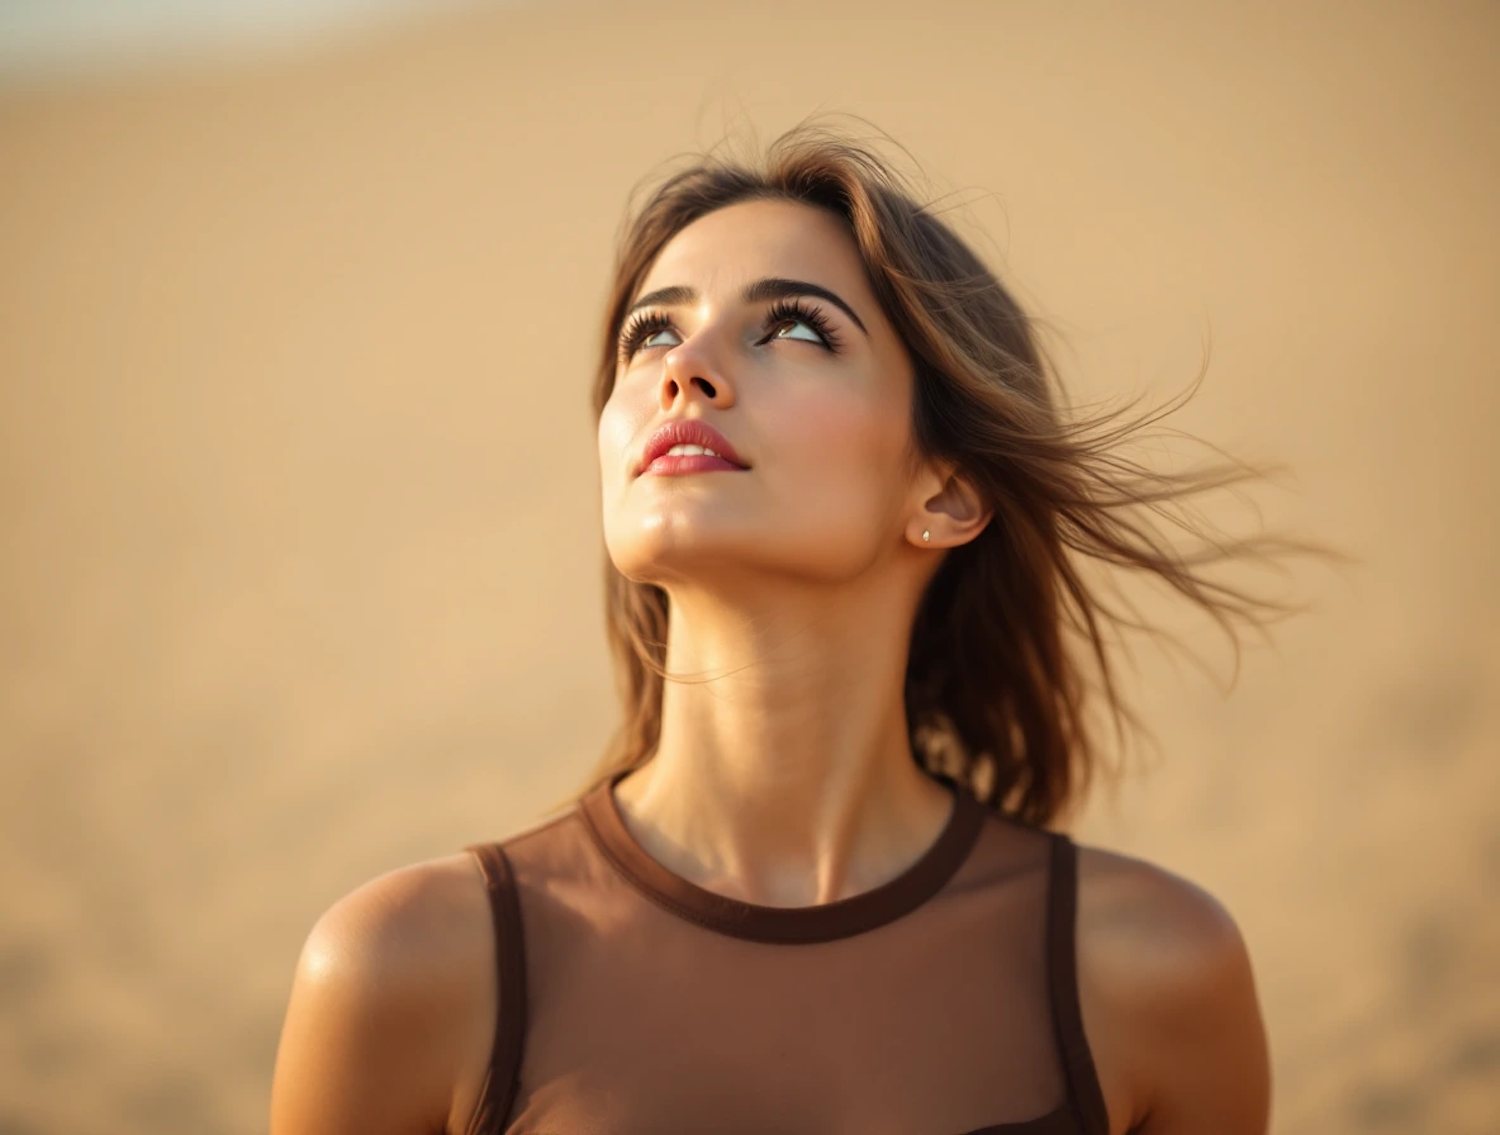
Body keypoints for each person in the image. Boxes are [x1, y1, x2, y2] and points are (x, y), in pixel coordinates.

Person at [269, 119, 1296, 1134]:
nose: (686, 369)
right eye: (651, 333)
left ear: (946, 488)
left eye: (795, 327)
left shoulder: (1147, 973)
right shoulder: (408, 971)